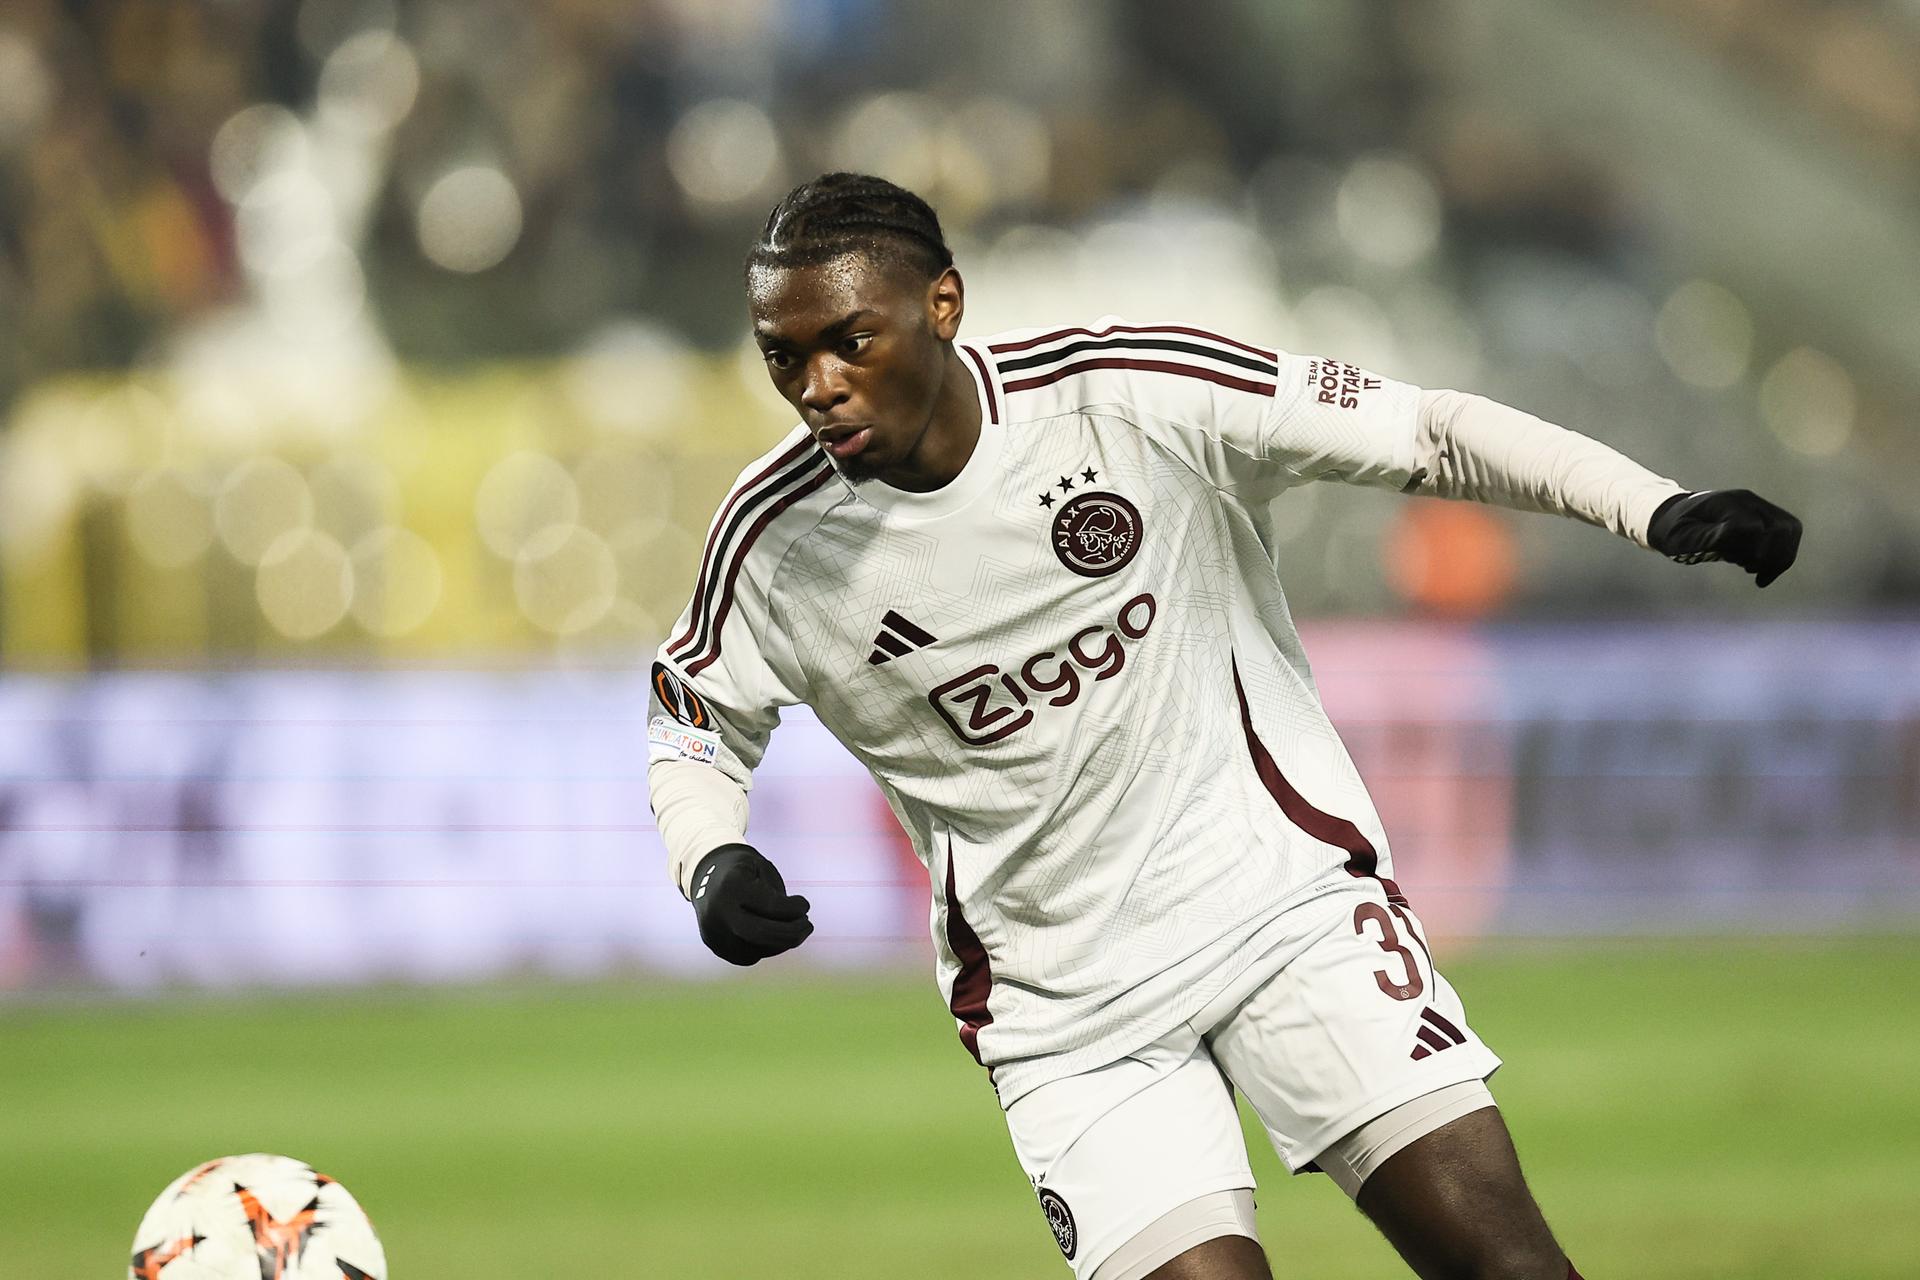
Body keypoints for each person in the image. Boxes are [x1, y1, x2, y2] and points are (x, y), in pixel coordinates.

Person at [644, 172, 1801, 1280]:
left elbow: (1427, 430)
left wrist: (1654, 505)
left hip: (1281, 907)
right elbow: (693, 717)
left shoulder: (1127, 391)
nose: (819, 384)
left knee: (1504, 1261)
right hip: (1065, 1009)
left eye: (852, 339)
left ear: (942, 303)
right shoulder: (772, 544)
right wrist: (711, 855)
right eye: (784, 357)